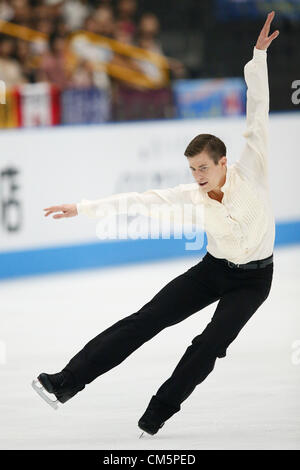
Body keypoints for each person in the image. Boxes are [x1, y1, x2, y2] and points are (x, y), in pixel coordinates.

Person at [32, 12, 279, 436]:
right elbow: (138, 201)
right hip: (214, 269)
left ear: (222, 162)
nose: (197, 176)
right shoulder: (191, 196)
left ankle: (158, 413)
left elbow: (258, 109)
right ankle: (65, 383)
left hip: (254, 281)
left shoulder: (251, 168)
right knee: (145, 320)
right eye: (191, 169)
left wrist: (258, 57)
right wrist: (83, 207)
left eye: (203, 167)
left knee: (209, 345)